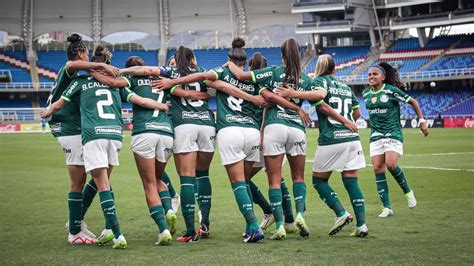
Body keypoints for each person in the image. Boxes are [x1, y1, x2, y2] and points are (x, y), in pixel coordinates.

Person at [41, 46, 169, 249]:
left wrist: (47, 111)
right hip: (105, 134)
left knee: (96, 182)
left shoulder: (80, 81)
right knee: (97, 181)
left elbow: (59, 103)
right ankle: (87, 227)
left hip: (90, 133)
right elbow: (139, 99)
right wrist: (160, 106)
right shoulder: (112, 84)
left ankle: (94, 228)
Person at [152, 40, 275, 242]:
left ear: (228, 59)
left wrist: (171, 82)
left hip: (223, 130)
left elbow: (206, 80)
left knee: (192, 179)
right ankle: (249, 223)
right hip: (249, 132)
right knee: (236, 180)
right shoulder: (254, 78)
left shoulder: (219, 72)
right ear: (246, 61)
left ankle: (199, 230)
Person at [90, 55, 208, 245]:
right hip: (167, 133)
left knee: (149, 183)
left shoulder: (131, 79)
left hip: (145, 131)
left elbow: (117, 85)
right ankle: (169, 208)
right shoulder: (164, 79)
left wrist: (92, 69)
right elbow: (187, 95)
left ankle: (163, 229)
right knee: (158, 178)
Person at [223, 38, 317, 240]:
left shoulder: (272, 72)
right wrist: (297, 102)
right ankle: (298, 215)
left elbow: (241, 75)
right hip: (297, 129)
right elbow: (321, 94)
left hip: (273, 128)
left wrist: (229, 62)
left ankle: (281, 224)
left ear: (282, 55)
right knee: (298, 178)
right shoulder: (306, 78)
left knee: (273, 180)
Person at [277, 54, 368, 237]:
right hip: (351, 138)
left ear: (319, 67)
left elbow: (322, 104)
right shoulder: (345, 86)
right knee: (351, 180)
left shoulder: (318, 82)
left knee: (319, 181)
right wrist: (347, 122)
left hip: (331, 137)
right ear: (334, 69)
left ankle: (341, 213)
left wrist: (292, 93)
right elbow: (357, 113)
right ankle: (362, 225)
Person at [45, 34, 119, 245]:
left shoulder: (74, 74)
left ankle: (77, 222)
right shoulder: (70, 70)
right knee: (81, 181)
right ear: (79, 53)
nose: (88, 58)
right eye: (86, 53)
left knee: (96, 176)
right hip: (70, 129)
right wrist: (102, 69)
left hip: (73, 129)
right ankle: (74, 230)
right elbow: (72, 63)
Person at [362, 62, 429, 218]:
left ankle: (408, 192)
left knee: (391, 164)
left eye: (375, 74)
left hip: (392, 133)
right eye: (369, 75)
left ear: (383, 77)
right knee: (378, 168)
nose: (371, 77)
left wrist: (422, 121)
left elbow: (413, 102)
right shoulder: (366, 93)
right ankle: (386, 208)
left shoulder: (391, 91)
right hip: (376, 135)